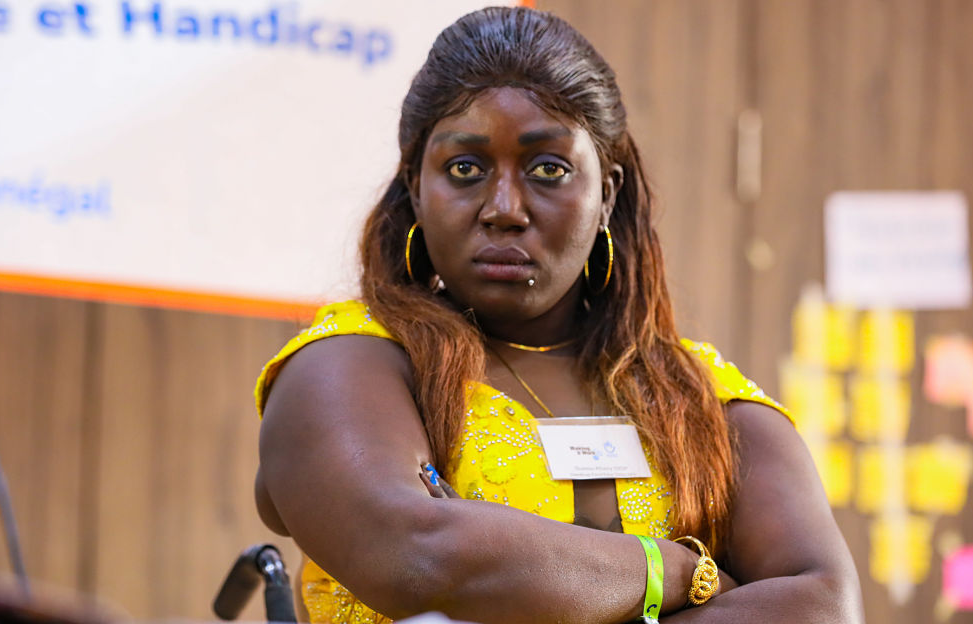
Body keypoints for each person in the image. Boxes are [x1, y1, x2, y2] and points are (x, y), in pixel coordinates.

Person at [252, 6, 862, 623]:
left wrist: (502, 561)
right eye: (465, 169)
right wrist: (675, 571)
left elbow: (823, 604)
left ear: (607, 195)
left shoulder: (701, 395)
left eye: (549, 169)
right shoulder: (346, 362)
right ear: (416, 185)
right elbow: (414, 554)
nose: (504, 208)